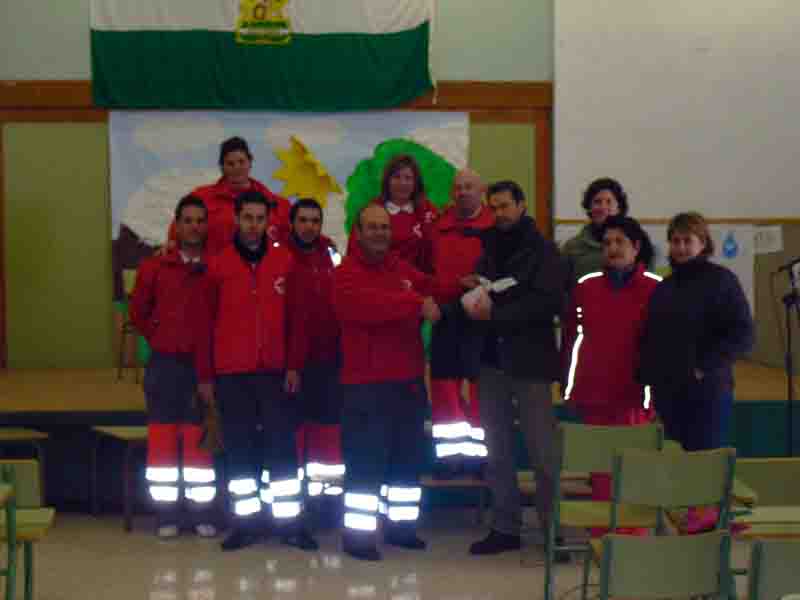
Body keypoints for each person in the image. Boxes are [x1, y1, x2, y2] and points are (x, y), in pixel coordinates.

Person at [460, 181, 569, 557]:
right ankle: (505, 527)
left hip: (532, 364)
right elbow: (491, 291)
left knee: (543, 452)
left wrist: (498, 314)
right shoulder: (487, 246)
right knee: (498, 450)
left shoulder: (544, 250)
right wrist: (474, 288)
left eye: (506, 206)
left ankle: (553, 529)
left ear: (522, 205)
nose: (500, 213)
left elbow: (547, 303)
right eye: (494, 207)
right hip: (492, 361)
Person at [207, 190, 317, 552]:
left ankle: (290, 526)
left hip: (275, 373)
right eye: (248, 218)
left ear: (269, 221)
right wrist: (207, 375)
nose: (254, 225)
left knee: (282, 448)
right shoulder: (218, 264)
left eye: (260, 218)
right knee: (240, 450)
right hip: (233, 373)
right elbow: (204, 323)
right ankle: (245, 525)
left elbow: (298, 320)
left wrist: (294, 365)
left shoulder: (284, 261)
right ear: (236, 220)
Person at [334, 204, 441, 561]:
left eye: (384, 227)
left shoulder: (400, 269)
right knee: (365, 464)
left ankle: (401, 529)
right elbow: (366, 307)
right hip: (365, 386)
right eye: (372, 227)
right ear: (359, 233)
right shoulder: (346, 272)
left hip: (407, 383)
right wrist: (415, 302)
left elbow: (434, 287)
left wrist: (465, 284)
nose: (380, 233)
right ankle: (358, 538)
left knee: (405, 462)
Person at [638, 211, 754, 532]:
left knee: (705, 459)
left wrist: (705, 367)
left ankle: (707, 528)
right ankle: (687, 524)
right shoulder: (665, 287)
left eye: (687, 241)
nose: (681, 247)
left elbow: (743, 335)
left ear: (703, 244)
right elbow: (651, 338)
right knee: (677, 459)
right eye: (675, 241)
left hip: (708, 389)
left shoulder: (722, 281)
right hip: (669, 390)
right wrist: (648, 380)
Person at [561, 215, 661, 535]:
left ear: (636, 247)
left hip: (634, 397)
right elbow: (570, 339)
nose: (613, 249)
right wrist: (569, 387)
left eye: (620, 242)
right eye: (607, 243)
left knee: (633, 471)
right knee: (601, 474)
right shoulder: (586, 287)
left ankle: (633, 539)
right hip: (594, 395)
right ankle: (602, 540)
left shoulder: (656, 289)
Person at [130, 195, 218, 539]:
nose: (194, 226)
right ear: (177, 224)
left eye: (200, 220)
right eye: (188, 220)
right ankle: (166, 516)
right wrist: (160, 335)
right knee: (163, 444)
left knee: (199, 443)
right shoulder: (155, 267)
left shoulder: (216, 266)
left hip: (202, 367)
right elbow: (138, 312)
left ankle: (200, 514)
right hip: (165, 366)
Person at [428, 169, 494, 478]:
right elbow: (426, 273)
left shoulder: (495, 226)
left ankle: (481, 460)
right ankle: (449, 459)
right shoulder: (438, 227)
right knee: (444, 388)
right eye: (457, 188)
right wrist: (454, 285)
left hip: (482, 317)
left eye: (469, 186)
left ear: (481, 190)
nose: (462, 192)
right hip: (445, 315)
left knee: (481, 390)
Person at [286, 199, 345, 499]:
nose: (309, 226)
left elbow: (344, 287)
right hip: (292, 364)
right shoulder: (279, 255)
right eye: (303, 220)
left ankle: (326, 500)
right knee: (295, 433)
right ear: (292, 223)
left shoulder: (331, 253)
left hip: (330, 361)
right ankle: (294, 500)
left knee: (327, 432)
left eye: (315, 221)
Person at [167, 137, 291, 255]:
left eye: (241, 162)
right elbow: (177, 232)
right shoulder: (201, 198)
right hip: (211, 273)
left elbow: (290, 243)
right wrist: (172, 245)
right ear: (222, 167)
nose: (237, 168)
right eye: (230, 164)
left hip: (261, 274)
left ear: (250, 162)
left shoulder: (276, 203)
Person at [347, 154, 437, 272]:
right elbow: (354, 252)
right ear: (387, 181)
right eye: (397, 177)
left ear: (416, 182)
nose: (402, 183)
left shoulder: (427, 210)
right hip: (379, 279)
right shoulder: (371, 211)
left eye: (408, 178)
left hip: (420, 283)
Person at [561, 177, 629, 281]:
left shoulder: (633, 244)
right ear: (589, 207)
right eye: (597, 202)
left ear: (619, 207)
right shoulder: (572, 248)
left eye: (609, 202)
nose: (603, 207)